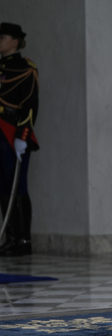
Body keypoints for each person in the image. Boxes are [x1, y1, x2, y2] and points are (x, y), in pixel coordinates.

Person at [0, 23, 39, 257]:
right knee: (3, 187)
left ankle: (24, 240)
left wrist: (22, 136)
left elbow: (30, 105)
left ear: (15, 41)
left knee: (17, 186)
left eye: (2, 37)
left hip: (11, 133)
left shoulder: (26, 68)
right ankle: (11, 237)